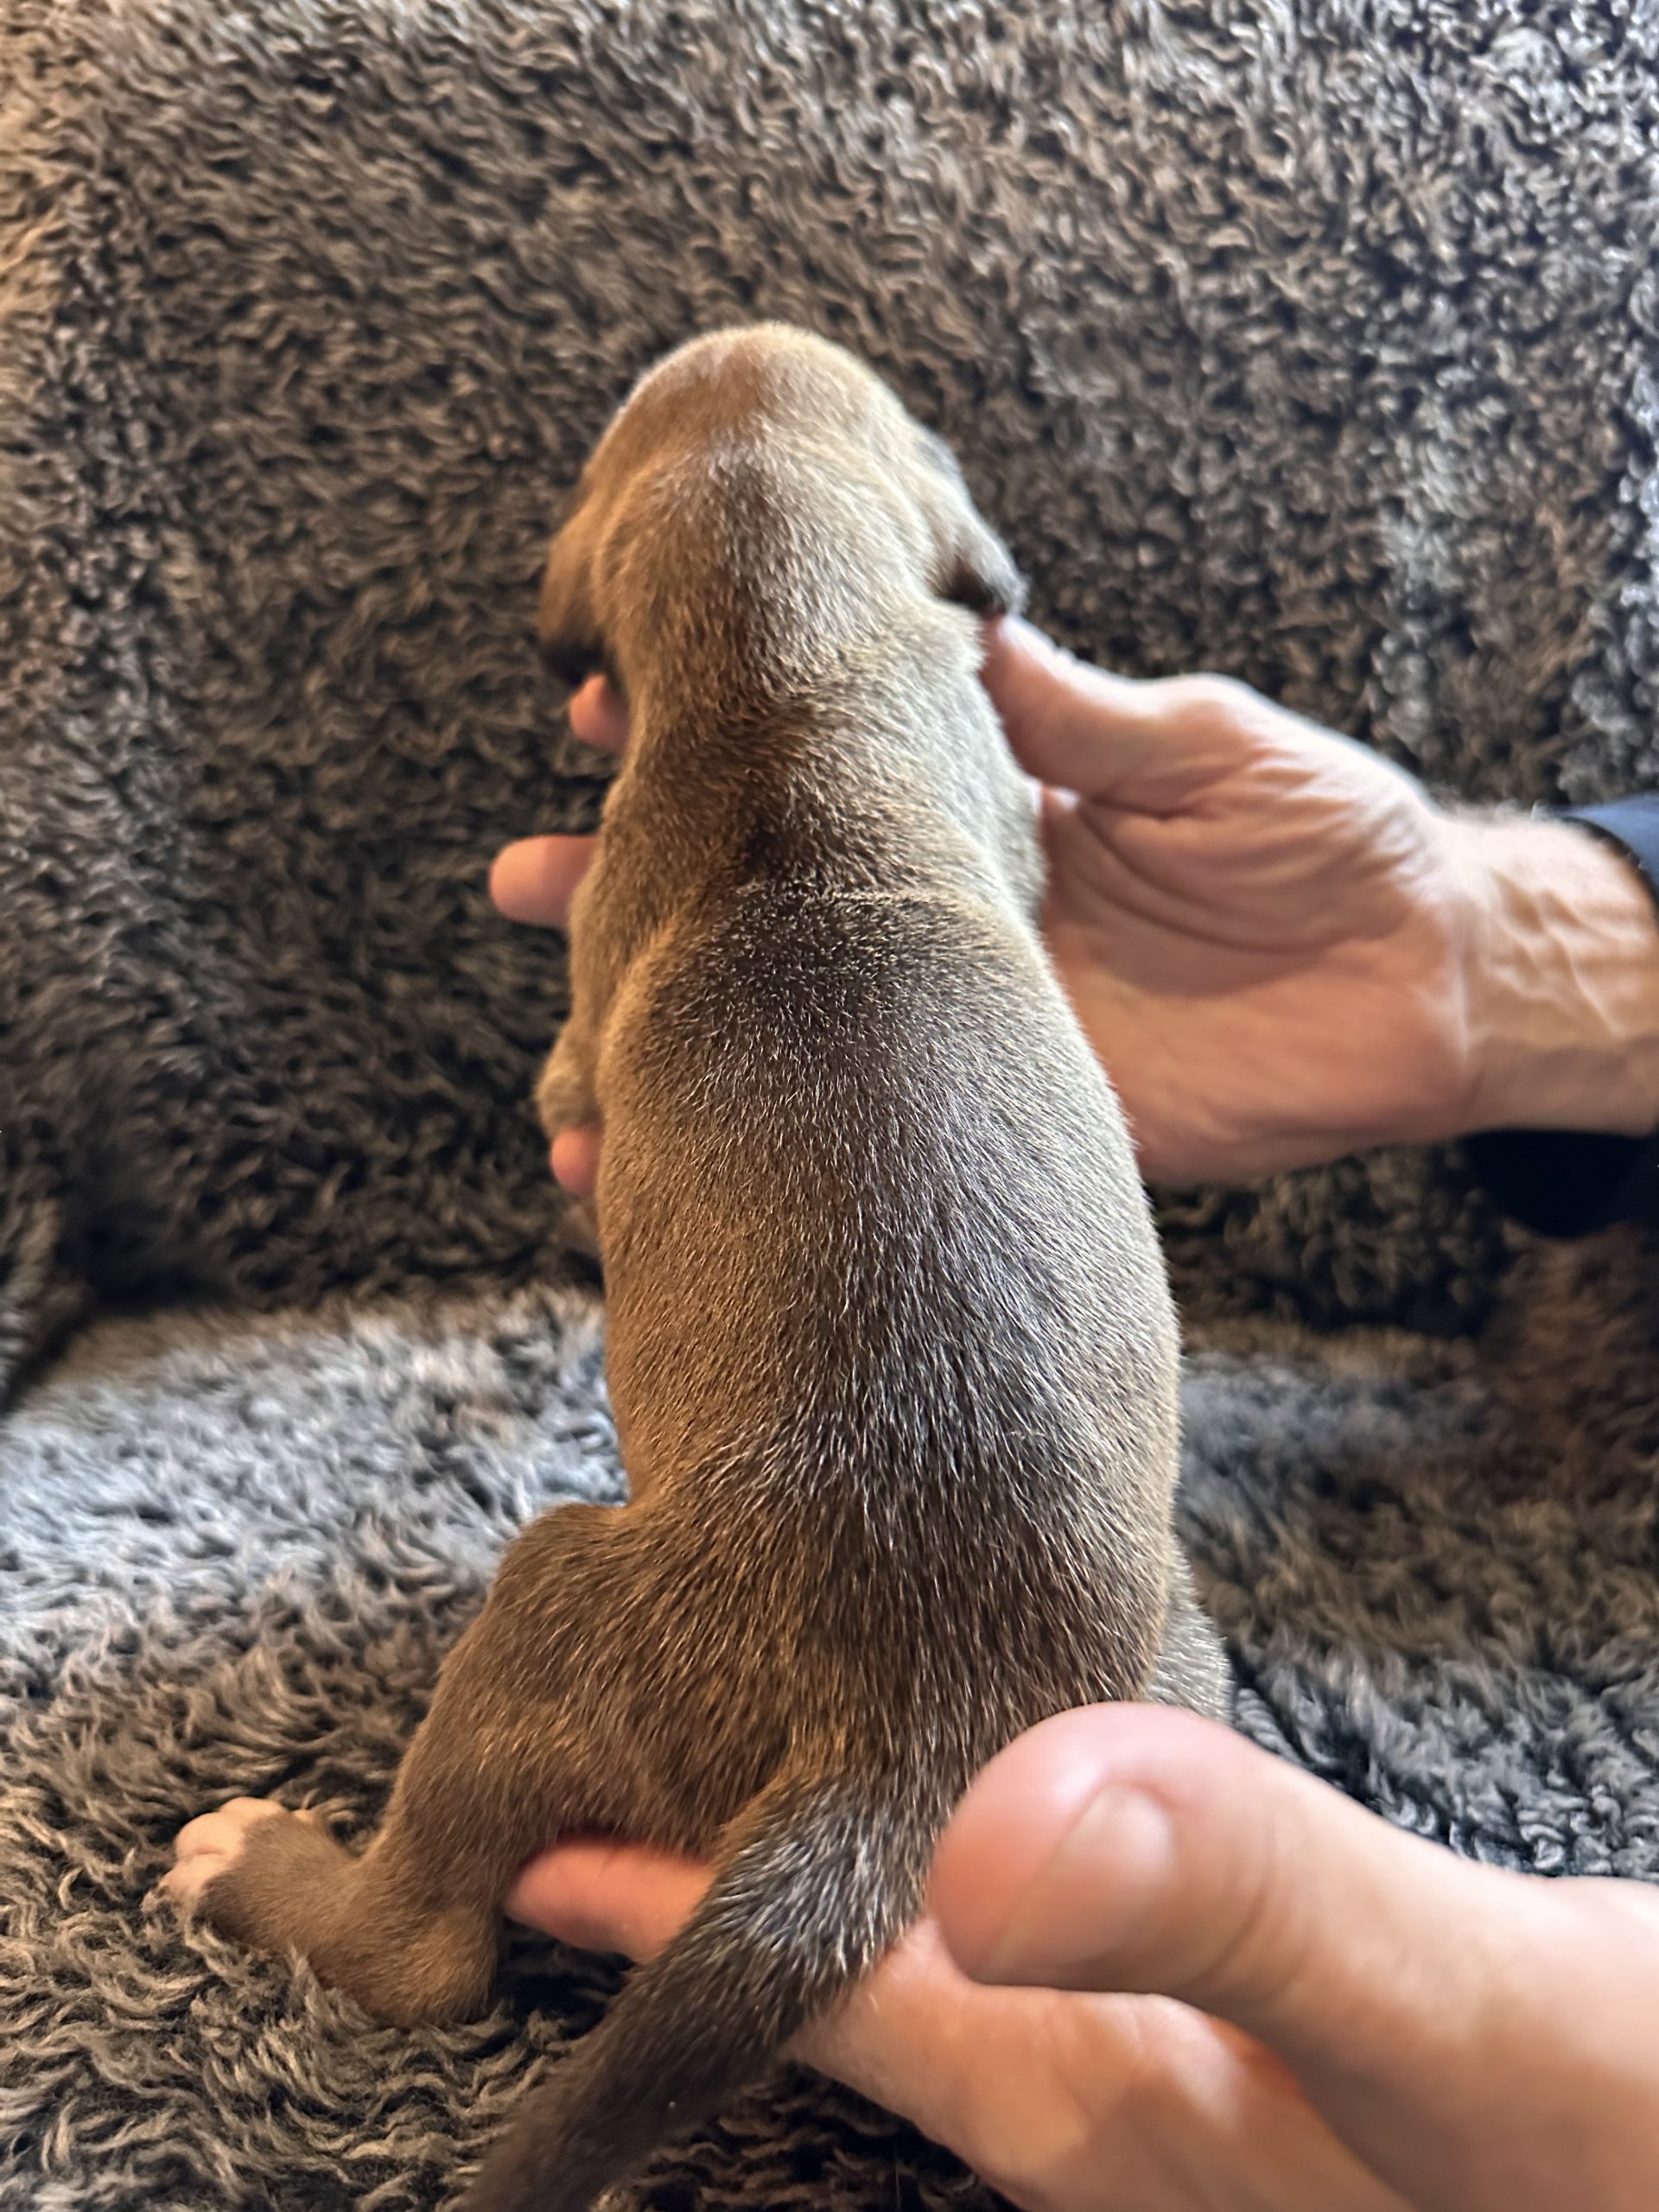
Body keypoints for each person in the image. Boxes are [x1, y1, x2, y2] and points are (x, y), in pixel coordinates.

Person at [487, 618, 1659, 2212]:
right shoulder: (943, 756)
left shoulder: (662, 864)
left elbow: (576, 1096)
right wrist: (1481, 949)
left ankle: (403, 1908)